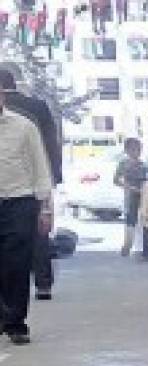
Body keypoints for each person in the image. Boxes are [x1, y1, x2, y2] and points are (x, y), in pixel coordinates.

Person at [0, 65, 61, 302]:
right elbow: (51, 144)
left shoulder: (21, 121)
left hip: (20, 189)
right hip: (35, 182)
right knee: (37, 237)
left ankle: (10, 313)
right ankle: (43, 282)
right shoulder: (37, 108)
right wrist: (53, 179)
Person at [0, 86, 54, 344]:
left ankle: (16, 323)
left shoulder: (24, 127)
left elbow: (40, 167)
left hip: (19, 202)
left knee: (16, 264)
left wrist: (45, 207)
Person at [113, 135, 148, 260]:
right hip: (130, 196)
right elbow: (116, 180)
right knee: (130, 221)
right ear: (127, 150)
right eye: (134, 149)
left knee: (146, 221)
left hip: (143, 196)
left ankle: (146, 251)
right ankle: (127, 245)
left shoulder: (144, 165)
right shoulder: (123, 164)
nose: (137, 152)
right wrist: (129, 187)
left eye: (139, 149)